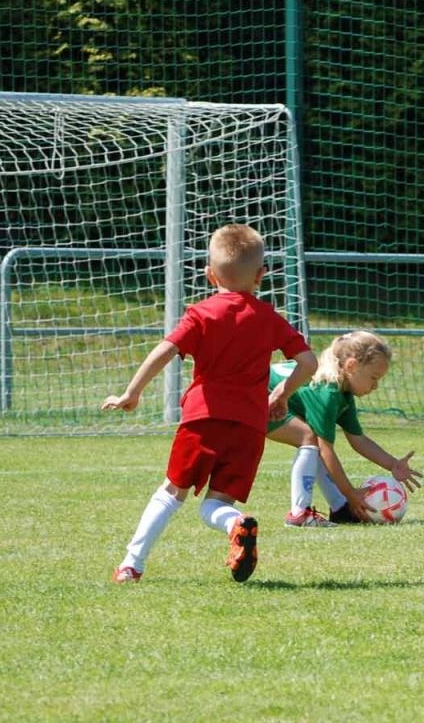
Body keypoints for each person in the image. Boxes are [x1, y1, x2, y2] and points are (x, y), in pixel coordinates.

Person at [103, 223, 316, 583]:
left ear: (208, 274)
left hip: (203, 418)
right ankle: (236, 523)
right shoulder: (269, 318)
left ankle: (131, 565)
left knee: (172, 493)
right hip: (249, 426)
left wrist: (132, 391)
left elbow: (166, 349)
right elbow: (309, 363)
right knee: (217, 505)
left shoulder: (201, 313)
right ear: (261, 276)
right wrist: (282, 393)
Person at [265, 330, 424, 526]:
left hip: (258, 396)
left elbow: (358, 440)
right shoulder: (327, 391)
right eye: (374, 377)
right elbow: (326, 450)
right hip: (253, 397)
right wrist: (350, 492)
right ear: (352, 366)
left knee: (312, 440)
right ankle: (300, 513)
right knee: (310, 439)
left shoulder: (343, 391)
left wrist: (392, 464)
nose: (375, 386)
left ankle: (340, 509)